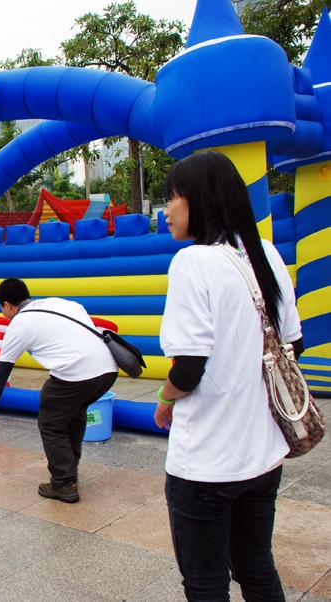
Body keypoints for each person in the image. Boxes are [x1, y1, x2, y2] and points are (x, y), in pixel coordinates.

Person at [155, 151, 303, 601]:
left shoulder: (192, 262)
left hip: (207, 464)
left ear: (199, 199)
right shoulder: (266, 254)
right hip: (264, 455)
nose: (166, 210)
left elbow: (188, 369)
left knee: (206, 584)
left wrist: (165, 398)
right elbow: (294, 345)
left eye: (172, 197)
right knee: (257, 568)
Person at [0, 278, 118, 504]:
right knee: (73, 413)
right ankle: (70, 472)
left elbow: (2, 369)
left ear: (7, 305)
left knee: (51, 421)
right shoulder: (60, 303)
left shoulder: (19, 323)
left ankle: (63, 483)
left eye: (2, 309)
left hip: (77, 373)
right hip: (109, 369)